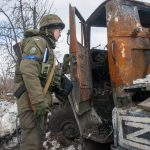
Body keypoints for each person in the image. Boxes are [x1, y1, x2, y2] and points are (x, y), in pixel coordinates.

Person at [14, 14, 65, 150]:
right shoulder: (38, 42)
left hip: (37, 101)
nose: (60, 34)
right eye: (58, 30)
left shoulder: (47, 48)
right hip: (31, 101)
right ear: (48, 29)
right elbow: (28, 69)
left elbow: (45, 77)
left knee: (37, 140)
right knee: (31, 142)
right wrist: (38, 102)